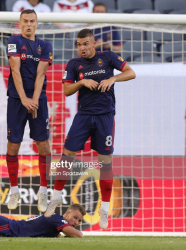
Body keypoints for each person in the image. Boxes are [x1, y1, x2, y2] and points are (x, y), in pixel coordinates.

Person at [45, 29, 136, 230]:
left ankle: (104, 208)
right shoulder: (73, 64)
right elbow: (67, 90)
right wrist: (82, 82)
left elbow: (131, 72)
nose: (82, 48)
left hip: (105, 117)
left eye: (86, 44)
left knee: (105, 162)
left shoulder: (109, 57)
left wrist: (113, 79)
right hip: (83, 116)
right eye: (79, 44)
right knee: (67, 154)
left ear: (94, 43)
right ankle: (56, 197)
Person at [5, 9, 53, 213]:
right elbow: (15, 70)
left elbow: (41, 74)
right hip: (17, 100)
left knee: (43, 144)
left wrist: (33, 100)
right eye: (25, 21)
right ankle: (14, 189)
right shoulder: (14, 41)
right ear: (20, 22)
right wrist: (24, 98)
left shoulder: (45, 45)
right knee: (13, 144)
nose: (28, 24)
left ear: (37, 23)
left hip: (38, 101)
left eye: (32, 21)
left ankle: (43, 190)